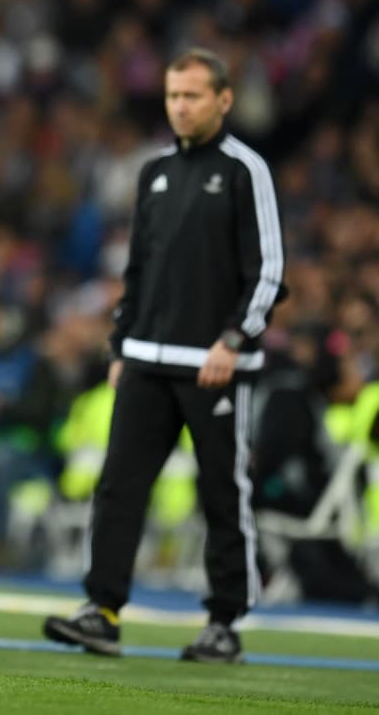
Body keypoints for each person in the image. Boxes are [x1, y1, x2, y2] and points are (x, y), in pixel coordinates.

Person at [42, 48, 285, 664]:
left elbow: (268, 272)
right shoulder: (153, 172)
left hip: (214, 363)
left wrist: (233, 341)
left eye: (193, 96)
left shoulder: (243, 170)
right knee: (119, 487)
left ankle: (224, 622)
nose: (180, 106)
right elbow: (139, 270)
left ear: (224, 100)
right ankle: (103, 610)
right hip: (147, 357)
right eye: (174, 96)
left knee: (221, 492)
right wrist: (122, 346)